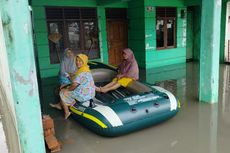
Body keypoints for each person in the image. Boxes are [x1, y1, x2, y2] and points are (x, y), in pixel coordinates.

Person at [50, 54, 96, 119]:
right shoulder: (86, 70)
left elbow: (74, 85)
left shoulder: (81, 73)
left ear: (84, 62)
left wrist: (67, 90)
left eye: (80, 61)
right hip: (91, 93)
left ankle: (67, 112)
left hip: (83, 95)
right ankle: (60, 105)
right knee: (67, 87)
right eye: (77, 61)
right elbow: (76, 81)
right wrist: (68, 84)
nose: (77, 62)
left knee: (62, 92)